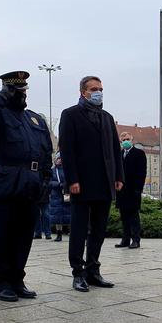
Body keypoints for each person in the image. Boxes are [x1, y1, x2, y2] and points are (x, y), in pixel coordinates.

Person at [0, 70, 53, 302]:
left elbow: (46, 151)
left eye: (23, 90)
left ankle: (17, 278)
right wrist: (0, 96)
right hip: (8, 178)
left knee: (23, 235)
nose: (21, 94)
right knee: (2, 234)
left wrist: (46, 179)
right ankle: (1, 282)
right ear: (7, 90)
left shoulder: (34, 118)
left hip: (32, 181)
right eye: (16, 90)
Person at [59, 75, 124, 292]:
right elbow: (67, 150)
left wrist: (119, 177)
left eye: (101, 89)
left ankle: (93, 269)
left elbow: (116, 150)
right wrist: (72, 180)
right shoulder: (70, 115)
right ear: (83, 92)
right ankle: (78, 272)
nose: (98, 92)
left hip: (105, 182)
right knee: (78, 229)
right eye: (94, 89)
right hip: (82, 183)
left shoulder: (106, 117)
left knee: (98, 229)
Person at [115, 132, 147, 249]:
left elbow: (142, 173)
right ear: (120, 142)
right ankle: (125, 239)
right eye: (123, 140)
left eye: (127, 139)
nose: (126, 141)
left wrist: (139, 189)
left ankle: (136, 240)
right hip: (121, 190)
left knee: (133, 216)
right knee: (123, 216)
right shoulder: (119, 154)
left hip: (134, 190)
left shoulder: (139, 154)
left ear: (132, 139)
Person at [49, 153, 71, 242]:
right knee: (57, 216)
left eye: (60, 158)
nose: (59, 160)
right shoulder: (52, 171)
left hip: (66, 195)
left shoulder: (67, 169)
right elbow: (49, 182)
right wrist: (58, 184)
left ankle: (71, 232)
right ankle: (59, 233)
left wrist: (65, 185)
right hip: (56, 195)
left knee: (69, 215)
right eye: (58, 158)